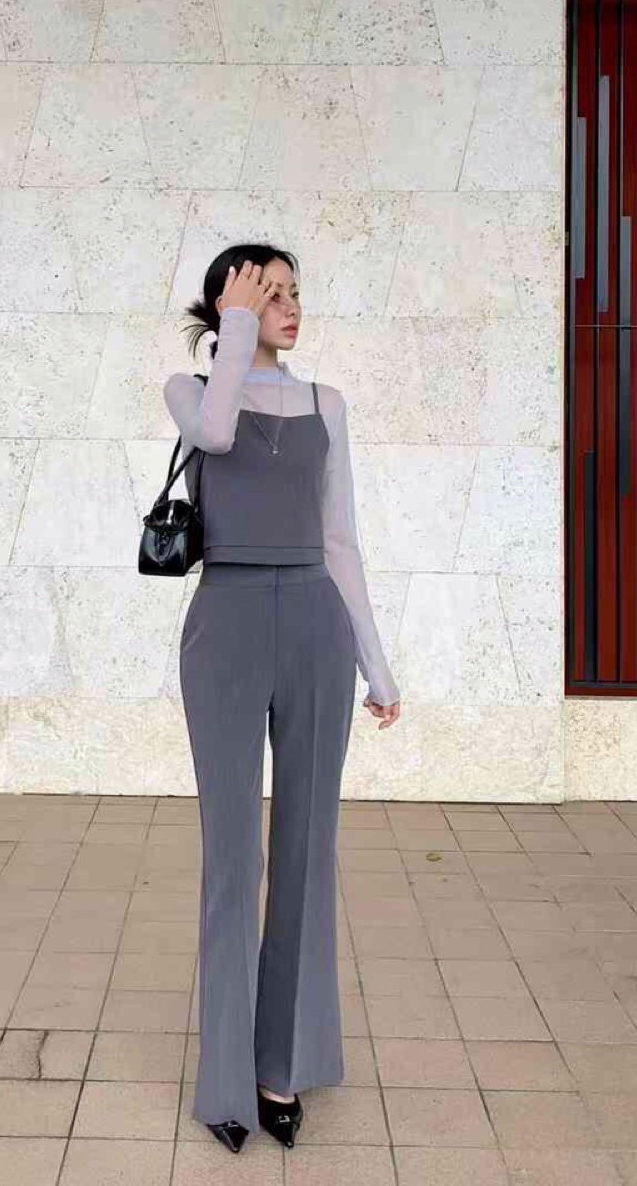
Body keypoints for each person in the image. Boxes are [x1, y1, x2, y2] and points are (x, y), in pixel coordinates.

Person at [163, 242, 402, 1152]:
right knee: (233, 856)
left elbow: (342, 541)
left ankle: (281, 1067)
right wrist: (233, 329)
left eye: (295, 292)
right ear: (229, 303)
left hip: (314, 625)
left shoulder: (326, 404)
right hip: (224, 625)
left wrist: (377, 663)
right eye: (269, 293)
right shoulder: (190, 391)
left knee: (307, 849)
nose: (291, 307)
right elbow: (217, 434)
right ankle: (226, 1079)